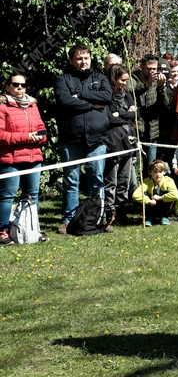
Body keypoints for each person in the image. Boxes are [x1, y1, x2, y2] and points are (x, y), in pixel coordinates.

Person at [54, 44, 112, 234]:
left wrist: (83, 95)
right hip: (71, 139)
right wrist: (92, 105)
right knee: (71, 180)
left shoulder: (100, 77)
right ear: (72, 60)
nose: (83, 61)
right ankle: (69, 219)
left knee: (96, 178)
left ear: (90, 59)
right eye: (79, 58)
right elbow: (65, 101)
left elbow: (107, 96)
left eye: (86, 57)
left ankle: (98, 217)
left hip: (97, 139)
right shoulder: (63, 79)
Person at [0, 73, 48, 245]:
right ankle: (2, 231)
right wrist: (27, 137)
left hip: (33, 157)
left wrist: (39, 137)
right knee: (8, 196)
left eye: (23, 85)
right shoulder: (2, 106)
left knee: (32, 195)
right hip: (10, 159)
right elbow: (1, 135)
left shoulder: (32, 105)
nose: (20, 88)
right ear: (7, 86)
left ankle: (32, 229)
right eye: (15, 84)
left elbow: (42, 129)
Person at [103, 66, 138, 227]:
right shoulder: (107, 96)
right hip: (113, 143)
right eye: (122, 80)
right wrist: (125, 115)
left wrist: (122, 115)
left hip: (128, 141)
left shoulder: (128, 95)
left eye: (126, 80)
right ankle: (109, 214)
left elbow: (134, 115)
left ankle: (122, 213)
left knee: (124, 180)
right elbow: (109, 118)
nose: (125, 83)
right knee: (112, 181)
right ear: (114, 79)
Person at [132, 160, 178, 226]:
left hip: (165, 207)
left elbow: (176, 195)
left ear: (164, 172)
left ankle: (164, 217)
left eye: (160, 172)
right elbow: (135, 195)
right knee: (144, 195)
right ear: (150, 173)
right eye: (155, 172)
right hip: (152, 206)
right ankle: (149, 218)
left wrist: (161, 198)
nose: (158, 174)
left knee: (169, 194)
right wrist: (148, 201)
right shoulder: (146, 181)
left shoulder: (169, 180)